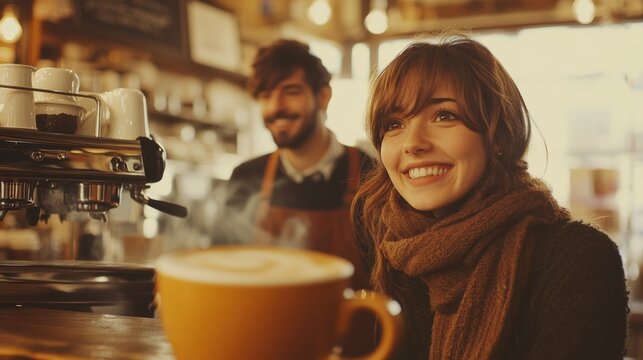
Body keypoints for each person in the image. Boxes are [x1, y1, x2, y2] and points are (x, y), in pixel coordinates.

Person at [351, 31, 628, 360]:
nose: (413, 143)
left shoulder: (577, 259)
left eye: (444, 116)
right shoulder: (390, 250)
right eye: (394, 124)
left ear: (498, 135)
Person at [218, 39, 373, 290]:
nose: (276, 107)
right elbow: (221, 270)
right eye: (265, 95)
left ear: (323, 96)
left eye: (291, 91)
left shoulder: (371, 175)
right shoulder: (246, 178)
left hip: (349, 327)